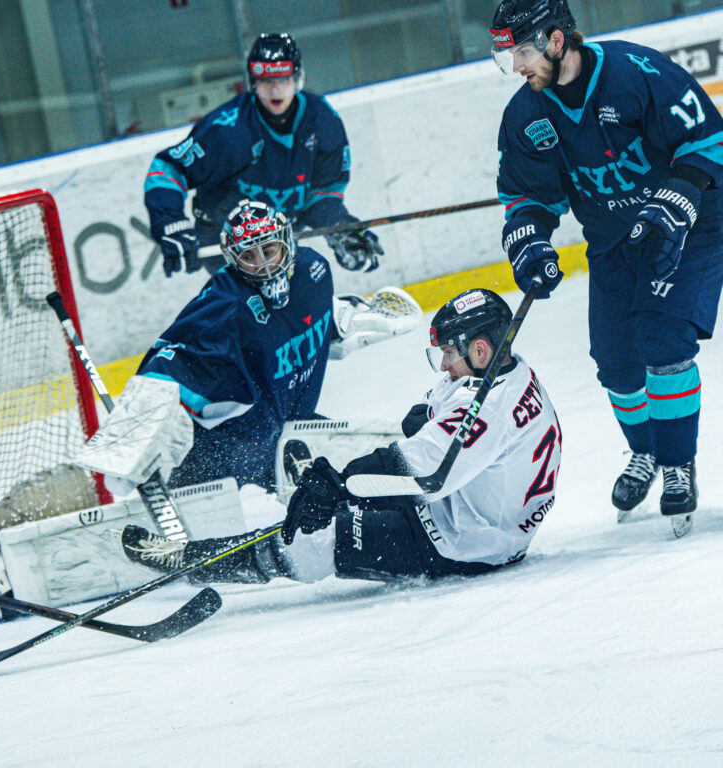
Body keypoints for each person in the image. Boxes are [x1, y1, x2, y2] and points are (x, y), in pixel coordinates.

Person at [119, 288, 562, 587]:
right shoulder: (510, 372)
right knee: (354, 482)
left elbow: (424, 474)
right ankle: (261, 528)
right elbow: (436, 425)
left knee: (313, 540)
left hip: (466, 543)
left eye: (449, 352)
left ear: (479, 349)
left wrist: (338, 486)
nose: (444, 364)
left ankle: (191, 561)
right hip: (475, 512)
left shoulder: (485, 409)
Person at [488, 0, 723, 536]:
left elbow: (708, 138)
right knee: (615, 360)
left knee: (662, 340)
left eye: (521, 53)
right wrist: (528, 239)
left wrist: (680, 195)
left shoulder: (639, 73)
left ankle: (677, 463)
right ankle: (646, 451)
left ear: (554, 40)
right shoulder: (526, 115)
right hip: (614, 238)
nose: (516, 67)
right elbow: (527, 195)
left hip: (690, 224)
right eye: (507, 58)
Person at [74, 200, 417, 495]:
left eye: (268, 251)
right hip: (230, 449)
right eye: (249, 256)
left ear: (287, 243)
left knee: (367, 481)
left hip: (292, 432)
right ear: (231, 259)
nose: (263, 265)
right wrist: (130, 441)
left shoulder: (314, 271)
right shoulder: (225, 303)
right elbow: (171, 360)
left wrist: (347, 323)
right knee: (221, 539)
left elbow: (309, 318)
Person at [144, 32, 384, 278]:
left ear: (298, 79)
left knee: (304, 290)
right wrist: (171, 224)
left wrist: (340, 227)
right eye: (266, 81)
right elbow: (167, 169)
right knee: (268, 296)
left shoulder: (321, 120)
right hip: (226, 239)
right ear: (253, 83)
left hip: (279, 237)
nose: (275, 89)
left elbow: (320, 197)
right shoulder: (229, 129)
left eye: (283, 79)